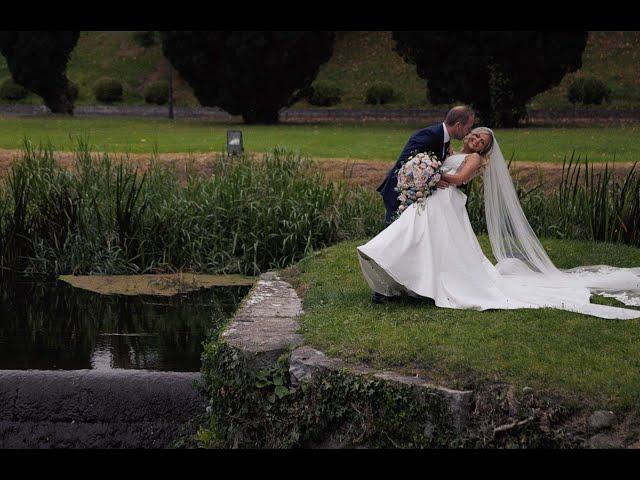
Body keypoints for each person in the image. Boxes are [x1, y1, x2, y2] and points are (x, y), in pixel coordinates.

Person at [358, 127, 640, 319]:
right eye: (477, 136)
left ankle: (401, 279)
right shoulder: (450, 150)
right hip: (434, 202)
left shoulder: (474, 158)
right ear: (469, 133)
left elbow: (463, 178)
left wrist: (440, 179)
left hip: (445, 202)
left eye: (483, 142)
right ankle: (397, 279)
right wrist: (425, 175)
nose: (478, 141)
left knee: (423, 241)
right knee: (419, 240)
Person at [377, 105, 475, 228]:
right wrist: (434, 178)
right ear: (458, 125)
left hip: (414, 191)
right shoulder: (429, 135)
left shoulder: (444, 138)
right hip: (399, 190)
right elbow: (407, 164)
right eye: (469, 127)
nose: (469, 132)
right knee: (393, 234)